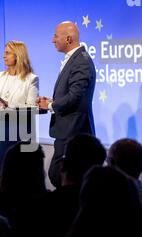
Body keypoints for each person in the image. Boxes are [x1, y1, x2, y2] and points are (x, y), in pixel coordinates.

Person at [37, 21, 96, 188]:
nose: (52, 40)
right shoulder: (75, 59)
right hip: (66, 129)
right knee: (59, 176)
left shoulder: (81, 61)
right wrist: (52, 101)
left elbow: (75, 96)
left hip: (73, 131)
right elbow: (70, 94)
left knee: (60, 176)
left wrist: (50, 106)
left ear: (68, 38)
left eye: (56, 36)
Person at [0, 41, 38, 109]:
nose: (4, 56)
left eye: (7, 53)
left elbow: (32, 107)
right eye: (4, 53)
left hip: (19, 119)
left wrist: (8, 104)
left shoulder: (32, 79)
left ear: (18, 55)